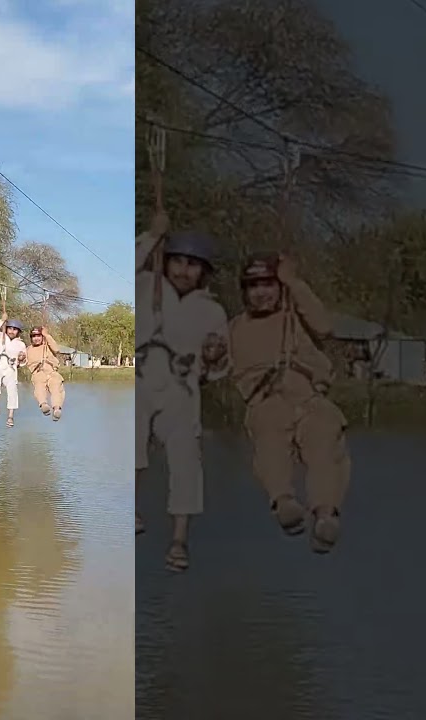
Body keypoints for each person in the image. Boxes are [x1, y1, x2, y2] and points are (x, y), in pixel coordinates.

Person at [229, 251, 351, 554]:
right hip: (266, 399)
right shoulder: (233, 328)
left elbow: (325, 327)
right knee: (270, 442)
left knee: (325, 440)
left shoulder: (298, 317)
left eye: (268, 284)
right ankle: (283, 501)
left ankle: (325, 514)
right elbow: (209, 364)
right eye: (254, 286)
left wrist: (294, 282)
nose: (261, 293)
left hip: (310, 396)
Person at [135, 212, 230, 572]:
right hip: (141, 377)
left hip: (181, 386)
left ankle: (179, 539)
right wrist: (151, 235)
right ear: (165, 260)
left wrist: (214, 358)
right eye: (177, 261)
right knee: (132, 437)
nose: (183, 270)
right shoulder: (144, 284)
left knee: (186, 458)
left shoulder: (212, 311)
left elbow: (219, 368)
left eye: (193, 265)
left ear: (203, 272)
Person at [0, 312, 29, 428]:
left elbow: (23, 361)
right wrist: (2, 320)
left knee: (12, 389)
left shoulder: (21, 344)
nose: (12, 331)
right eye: (10, 328)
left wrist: (21, 359)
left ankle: (10, 416)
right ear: (6, 329)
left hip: (11, 367)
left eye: (15, 329)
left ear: (18, 332)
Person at [24, 326, 66, 420]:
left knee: (56, 387)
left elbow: (56, 349)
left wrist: (47, 335)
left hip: (52, 371)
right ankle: (43, 405)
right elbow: (21, 362)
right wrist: (20, 358)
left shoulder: (48, 346)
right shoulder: (28, 350)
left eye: (39, 336)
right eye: (34, 336)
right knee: (39, 387)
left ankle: (57, 408)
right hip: (38, 372)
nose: (36, 338)